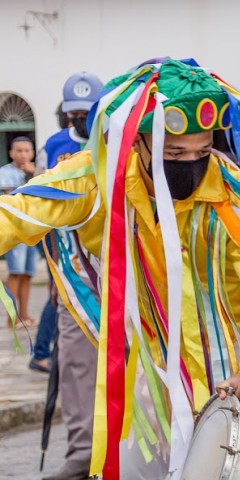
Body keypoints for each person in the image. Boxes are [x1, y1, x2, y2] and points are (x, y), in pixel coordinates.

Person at [0, 58, 240, 479]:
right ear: (139, 142)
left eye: (203, 151)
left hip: (230, 376)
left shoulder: (231, 194)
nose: (191, 166)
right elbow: (16, 214)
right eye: (174, 153)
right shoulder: (99, 179)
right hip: (149, 382)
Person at [27, 71, 105, 480]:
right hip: (73, 279)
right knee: (75, 367)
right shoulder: (52, 148)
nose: (80, 121)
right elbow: (41, 214)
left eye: (86, 113)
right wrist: (56, 280)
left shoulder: (114, 146)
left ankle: (128, 450)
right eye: (73, 114)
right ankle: (82, 451)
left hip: (119, 274)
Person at [1, 136, 38, 328]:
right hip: (15, 232)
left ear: (32, 152)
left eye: (27, 150)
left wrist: (34, 175)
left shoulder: (38, 171)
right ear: (11, 153)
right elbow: (13, 199)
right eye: (19, 150)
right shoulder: (5, 174)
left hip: (32, 231)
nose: (23, 154)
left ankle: (24, 314)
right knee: (15, 273)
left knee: (28, 273)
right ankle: (12, 318)